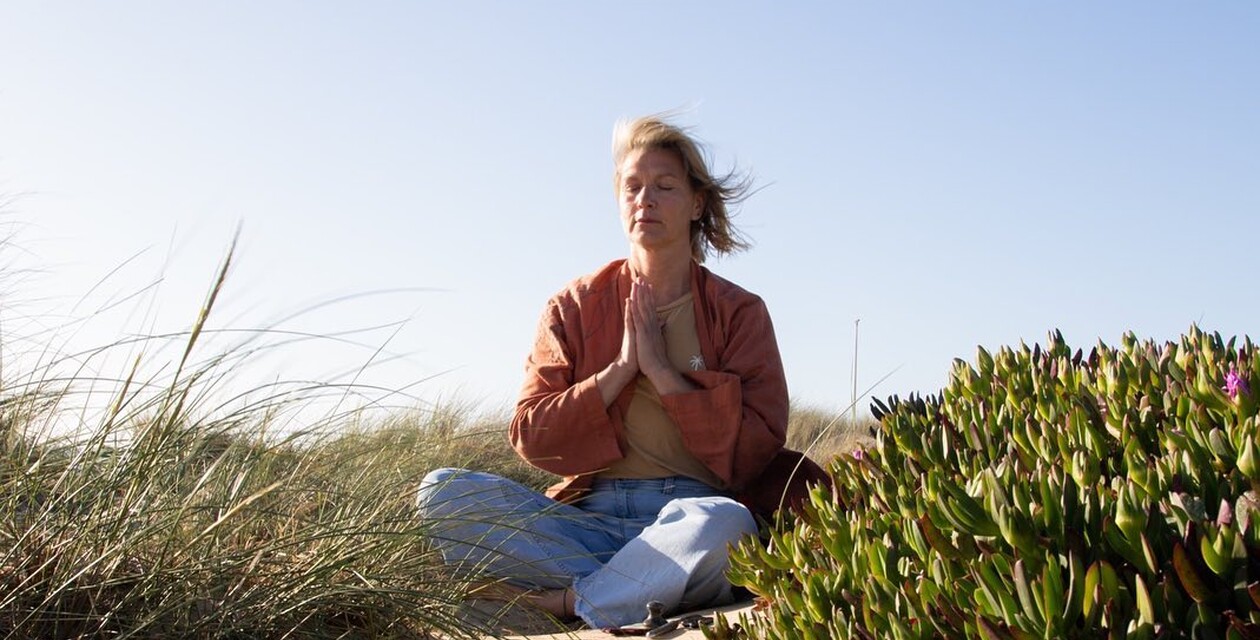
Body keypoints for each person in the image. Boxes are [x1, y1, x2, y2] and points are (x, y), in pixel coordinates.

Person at [415, 115, 829, 629]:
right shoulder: (573, 306)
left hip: (688, 516)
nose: (645, 199)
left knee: (726, 526)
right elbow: (531, 435)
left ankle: (570, 601)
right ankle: (637, 587)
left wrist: (663, 374)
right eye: (632, 187)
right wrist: (619, 370)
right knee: (444, 492)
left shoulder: (738, 311)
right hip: (584, 523)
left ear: (697, 203)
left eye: (665, 186)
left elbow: (757, 448)